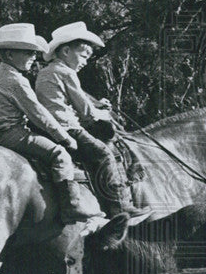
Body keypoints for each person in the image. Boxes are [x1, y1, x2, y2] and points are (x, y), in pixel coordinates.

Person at [0, 23, 97, 225]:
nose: (34, 57)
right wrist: (64, 137)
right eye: (28, 53)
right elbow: (38, 113)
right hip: (13, 133)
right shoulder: (15, 80)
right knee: (59, 154)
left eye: (34, 52)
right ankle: (71, 206)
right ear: (10, 55)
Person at [36, 22, 148, 219]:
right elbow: (85, 111)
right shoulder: (66, 72)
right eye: (83, 56)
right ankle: (120, 207)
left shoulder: (47, 71)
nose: (85, 62)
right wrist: (103, 114)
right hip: (66, 127)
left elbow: (72, 100)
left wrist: (97, 106)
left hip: (47, 127)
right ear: (66, 51)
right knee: (104, 154)